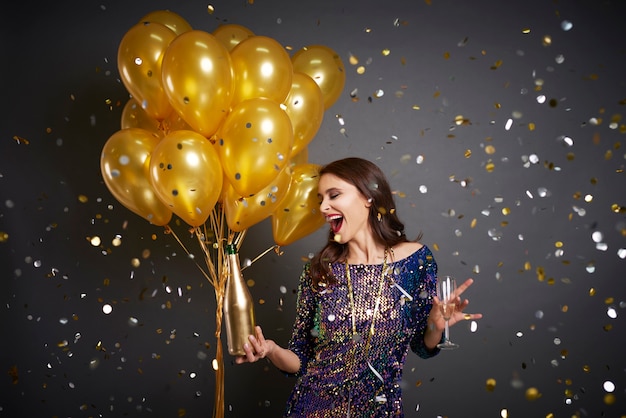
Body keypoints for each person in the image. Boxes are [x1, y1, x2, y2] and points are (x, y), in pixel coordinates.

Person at [236, 157, 482, 417]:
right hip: (311, 409)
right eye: (320, 199)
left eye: (334, 195)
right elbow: (300, 359)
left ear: (368, 197)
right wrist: (272, 350)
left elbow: (422, 347)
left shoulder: (416, 261)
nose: (323, 207)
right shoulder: (319, 271)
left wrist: (436, 325)